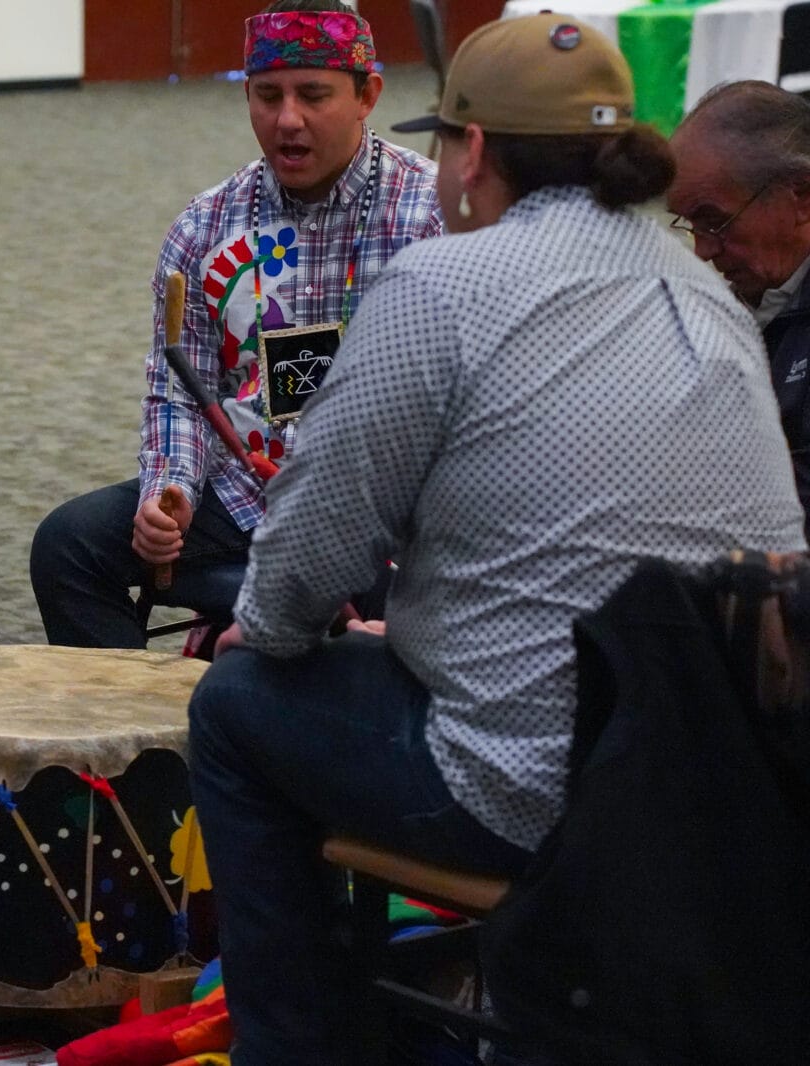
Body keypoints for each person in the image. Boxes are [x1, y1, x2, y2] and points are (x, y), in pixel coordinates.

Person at [185, 16, 805, 1061]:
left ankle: (298, 1045)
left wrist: (273, 628)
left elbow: (306, 554)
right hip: (720, 775)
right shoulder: (712, 294)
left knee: (238, 704)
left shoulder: (438, 286)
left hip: (532, 788)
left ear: (470, 153)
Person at [30, 0, 441, 649]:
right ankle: (148, 747)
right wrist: (170, 493)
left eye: (313, 95)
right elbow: (179, 387)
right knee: (69, 546)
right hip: (245, 494)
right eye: (266, 95)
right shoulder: (206, 225)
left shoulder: (433, 216)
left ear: (368, 95)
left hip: (379, 516)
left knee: (419, 602)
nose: (287, 120)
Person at [669, 82, 810, 534]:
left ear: (801, 197)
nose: (703, 250)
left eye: (714, 220)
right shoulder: (744, 302)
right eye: (690, 225)